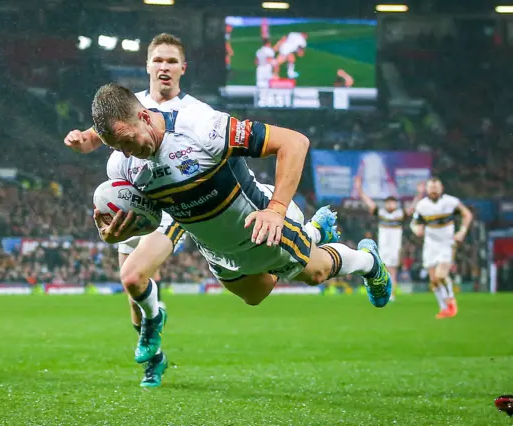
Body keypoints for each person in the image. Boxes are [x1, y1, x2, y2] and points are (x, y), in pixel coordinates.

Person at [90, 83, 393, 370]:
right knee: (254, 296)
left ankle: (369, 262)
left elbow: (294, 142)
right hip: (216, 249)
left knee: (316, 273)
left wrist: (276, 210)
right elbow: (152, 214)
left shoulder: (201, 127)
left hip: (260, 228)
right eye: (117, 147)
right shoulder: (121, 165)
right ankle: (313, 232)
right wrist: (114, 232)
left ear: (144, 116)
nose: (127, 152)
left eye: (128, 141)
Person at [63, 33, 206, 388]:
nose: (164, 67)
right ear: (147, 66)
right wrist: (82, 141)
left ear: (183, 69)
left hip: (172, 206)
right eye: (158, 60)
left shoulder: (197, 113)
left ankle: (153, 326)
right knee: (132, 295)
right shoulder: (131, 103)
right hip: (132, 201)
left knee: (134, 275)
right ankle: (155, 357)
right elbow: (98, 135)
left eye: (172, 61)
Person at [410, 177, 472, 319]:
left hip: (446, 243)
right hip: (430, 245)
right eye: (431, 188)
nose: (433, 190)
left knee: (441, 275)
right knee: (433, 280)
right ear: (427, 189)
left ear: (441, 188)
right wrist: (416, 230)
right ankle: (443, 308)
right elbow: (414, 223)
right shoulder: (422, 206)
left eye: (436, 187)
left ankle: (451, 301)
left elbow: (467, 214)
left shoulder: (451, 202)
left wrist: (462, 231)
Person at [355, 177, 424, 301]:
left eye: (393, 202)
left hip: (395, 247)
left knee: (392, 270)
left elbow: (413, 206)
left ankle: (391, 294)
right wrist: (359, 188)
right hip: (383, 246)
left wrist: (420, 193)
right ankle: (381, 292)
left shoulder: (400, 214)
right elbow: (367, 201)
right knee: (382, 270)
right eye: (389, 202)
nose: (391, 204)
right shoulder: (381, 213)